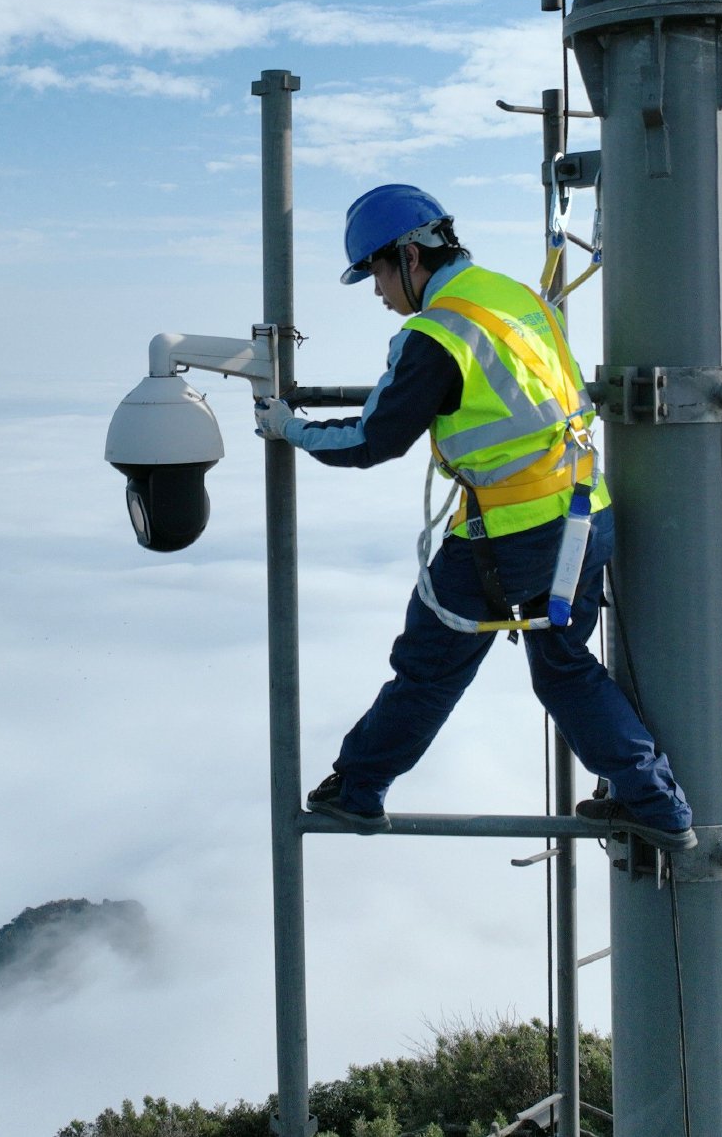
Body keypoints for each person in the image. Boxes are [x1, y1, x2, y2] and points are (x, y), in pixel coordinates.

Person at [252, 183, 694, 850]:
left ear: (408, 255)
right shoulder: (513, 295)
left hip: (517, 535)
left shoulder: (436, 333)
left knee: (429, 666)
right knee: (566, 668)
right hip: (585, 511)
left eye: (374, 269)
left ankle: (359, 789)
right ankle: (657, 805)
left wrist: (289, 428)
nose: (377, 291)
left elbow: (372, 442)